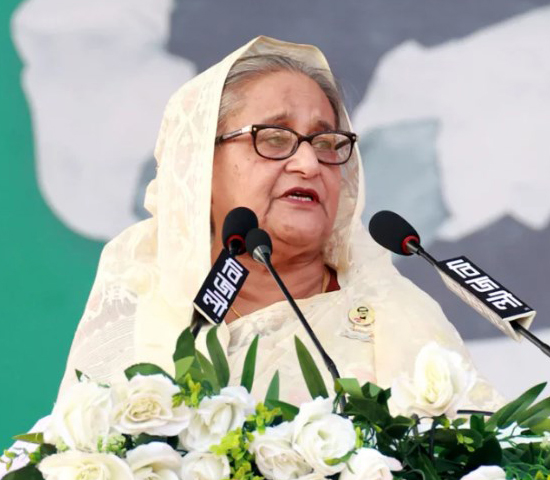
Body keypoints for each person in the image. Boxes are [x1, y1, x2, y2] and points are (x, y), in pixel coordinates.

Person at [56, 36, 504, 410]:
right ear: (201, 166)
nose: (309, 164)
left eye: (326, 143)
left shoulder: (396, 317)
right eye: (273, 138)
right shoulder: (144, 303)